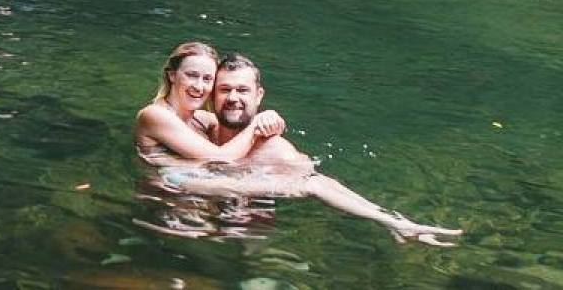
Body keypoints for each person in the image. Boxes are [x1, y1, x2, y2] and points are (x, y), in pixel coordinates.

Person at [145, 52, 463, 246]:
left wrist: (391, 220)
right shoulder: (200, 127)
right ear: (212, 96)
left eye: (243, 90)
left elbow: (318, 183)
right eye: (224, 89)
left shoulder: (274, 148)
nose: (233, 98)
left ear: (259, 96)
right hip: (197, 216)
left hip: (246, 230)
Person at [134, 41, 288, 161]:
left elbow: (233, 123)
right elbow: (220, 159)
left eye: (207, 78)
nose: (199, 86)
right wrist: (257, 124)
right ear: (172, 75)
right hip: (159, 193)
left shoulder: (200, 120)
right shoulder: (154, 115)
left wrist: (270, 117)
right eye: (192, 75)